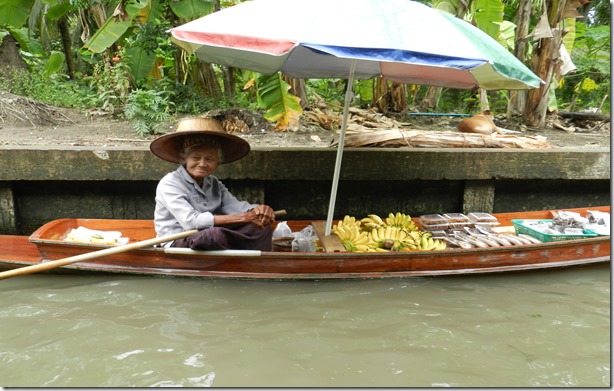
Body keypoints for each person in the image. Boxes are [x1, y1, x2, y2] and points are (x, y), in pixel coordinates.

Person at [149, 117, 276, 251]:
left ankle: (247, 263)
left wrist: (259, 210)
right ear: (183, 159)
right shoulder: (170, 183)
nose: (202, 164)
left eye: (209, 159)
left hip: (214, 236)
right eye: (196, 158)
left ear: (217, 163)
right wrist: (244, 217)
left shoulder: (214, 183)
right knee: (211, 236)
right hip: (179, 240)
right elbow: (191, 222)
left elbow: (235, 206)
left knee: (261, 227)